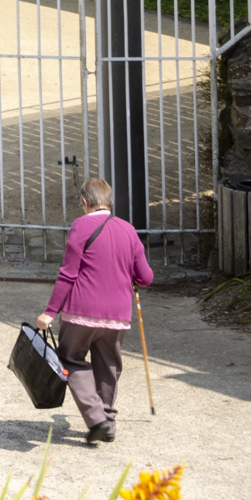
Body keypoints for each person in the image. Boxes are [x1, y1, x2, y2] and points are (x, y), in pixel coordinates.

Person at [41, 178, 154, 445]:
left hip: (82, 310)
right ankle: (109, 423)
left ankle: (96, 419)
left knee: (71, 359)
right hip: (118, 315)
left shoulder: (81, 225)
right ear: (109, 201)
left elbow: (68, 273)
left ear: (84, 201)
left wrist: (49, 311)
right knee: (109, 366)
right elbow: (146, 277)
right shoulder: (128, 230)